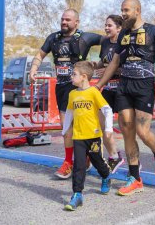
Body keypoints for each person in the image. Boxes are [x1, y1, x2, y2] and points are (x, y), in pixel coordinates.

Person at [94, 0, 155, 196]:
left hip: (144, 85)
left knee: (142, 132)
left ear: (138, 10)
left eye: (126, 10)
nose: (123, 13)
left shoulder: (153, 30)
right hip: (124, 86)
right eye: (121, 10)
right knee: (127, 130)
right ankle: (135, 177)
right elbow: (114, 62)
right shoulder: (123, 35)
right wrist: (99, 86)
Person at [29, 9, 102, 179]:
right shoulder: (53, 38)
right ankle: (69, 161)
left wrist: (100, 63)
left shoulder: (86, 37)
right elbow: (40, 54)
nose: (64, 22)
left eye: (68, 20)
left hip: (80, 88)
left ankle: (86, 158)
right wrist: (34, 68)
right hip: (62, 88)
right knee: (66, 126)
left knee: (85, 125)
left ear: (76, 22)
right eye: (62, 19)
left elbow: (110, 40)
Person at [62, 61, 113, 211]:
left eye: (74, 74)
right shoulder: (72, 94)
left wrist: (108, 129)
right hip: (78, 136)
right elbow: (69, 113)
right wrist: (65, 130)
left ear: (84, 77)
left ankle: (106, 176)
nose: (71, 77)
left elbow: (107, 110)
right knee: (79, 165)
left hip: (94, 136)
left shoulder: (93, 92)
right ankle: (77, 194)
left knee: (97, 160)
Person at [94, 14, 125, 173]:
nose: (106, 28)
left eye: (110, 25)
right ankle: (114, 156)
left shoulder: (125, 42)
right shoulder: (105, 42)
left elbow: (125, 67)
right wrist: (93, 67)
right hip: (107, 89)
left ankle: (135, 164)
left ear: (119, 28)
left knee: (126, 127)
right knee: (103, 123)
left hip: (123, 89)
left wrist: (107, 70)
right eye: (105, 25)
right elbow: (103, 61)